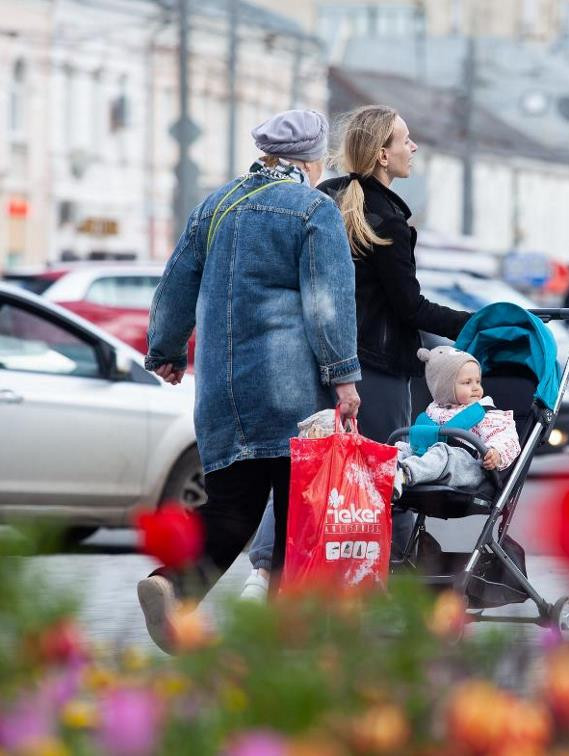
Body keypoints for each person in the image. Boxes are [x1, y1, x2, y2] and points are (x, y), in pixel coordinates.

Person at [137, 109, 361, 653]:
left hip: (220, 391)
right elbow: (327, 303)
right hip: (291, 394)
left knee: (230, 508)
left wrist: (165, 351)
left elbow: (173, 287)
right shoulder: (314, 209)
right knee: (296, 518)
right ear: (313, 160)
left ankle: (172, 583)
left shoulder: (214, 206)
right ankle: (277, 638)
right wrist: (344, 377)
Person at [238, 105, 471, 600]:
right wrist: (474, 323)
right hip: (377, 371)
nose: (413, 149)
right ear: (384, 153)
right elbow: (409, 308)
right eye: (406, 141)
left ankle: (262, 576)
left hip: (317, 363)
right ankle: (380, 578)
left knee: (311, 469)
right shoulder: (386, 216)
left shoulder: (323, 198)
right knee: (387, 470)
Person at [392, 346, 521, 496]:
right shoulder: (433, 411)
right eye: (467, 382)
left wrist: (496, 453)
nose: (476, 388)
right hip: (429, 461)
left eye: (478, 381)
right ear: (445, 387)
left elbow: (506, 436)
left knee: (442, 452)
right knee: (400, 448)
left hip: (467, 468)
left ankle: (403, 474)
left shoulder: (485, 413)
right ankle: (382, 469)